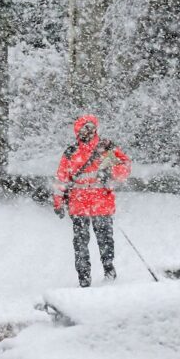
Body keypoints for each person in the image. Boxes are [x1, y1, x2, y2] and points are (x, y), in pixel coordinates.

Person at [54, 115, 131, 287]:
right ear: (77, 130)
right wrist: (58, 201)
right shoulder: (71, 152)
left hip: (101, 202)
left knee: (106, 241)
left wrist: (111, 172)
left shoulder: (105, 150)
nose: (87, 131)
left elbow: (125, 166)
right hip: (78, 204)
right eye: (84, 128)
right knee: (80, 244)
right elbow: (61, 179)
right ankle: (84, 279)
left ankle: (109, 273)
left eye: (90, 127)